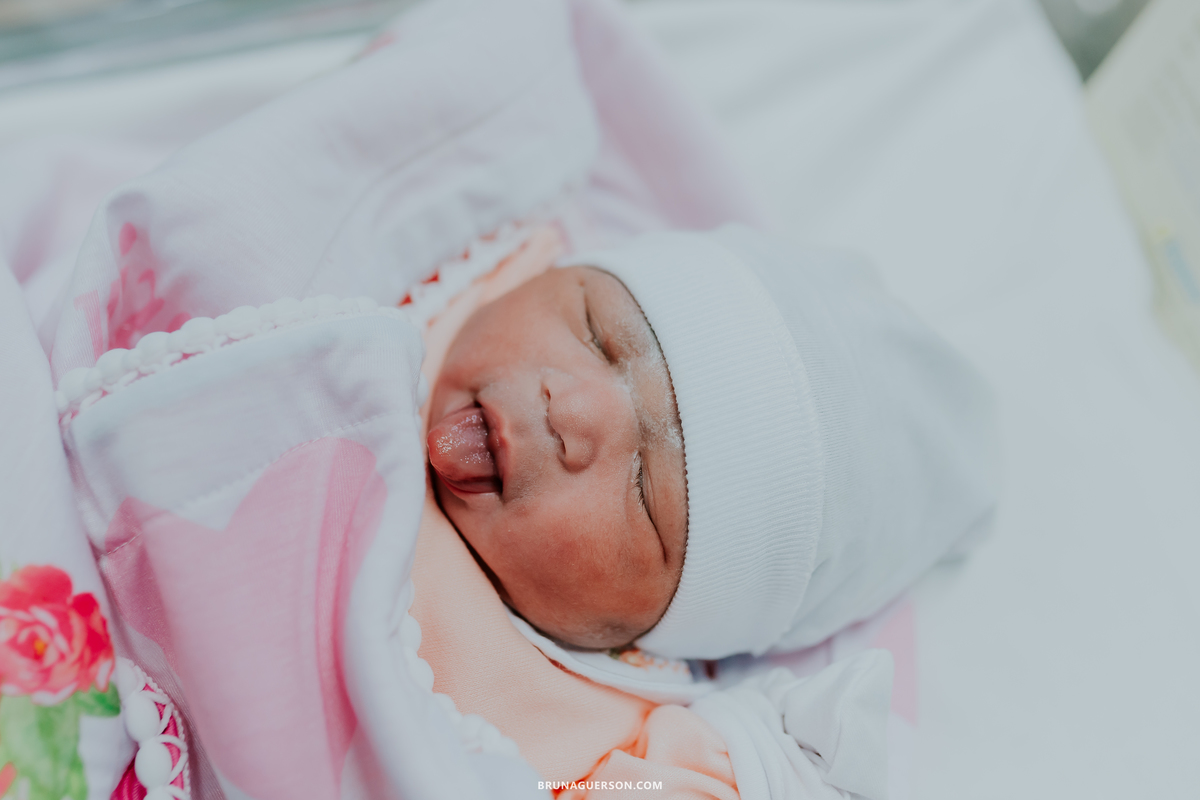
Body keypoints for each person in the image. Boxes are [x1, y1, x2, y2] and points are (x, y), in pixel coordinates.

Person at [426, 223, 999, 660]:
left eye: (644, 493)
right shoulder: (430, 233)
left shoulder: (586, 765)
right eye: (595, 334)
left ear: (641, 641)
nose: (571, 409)